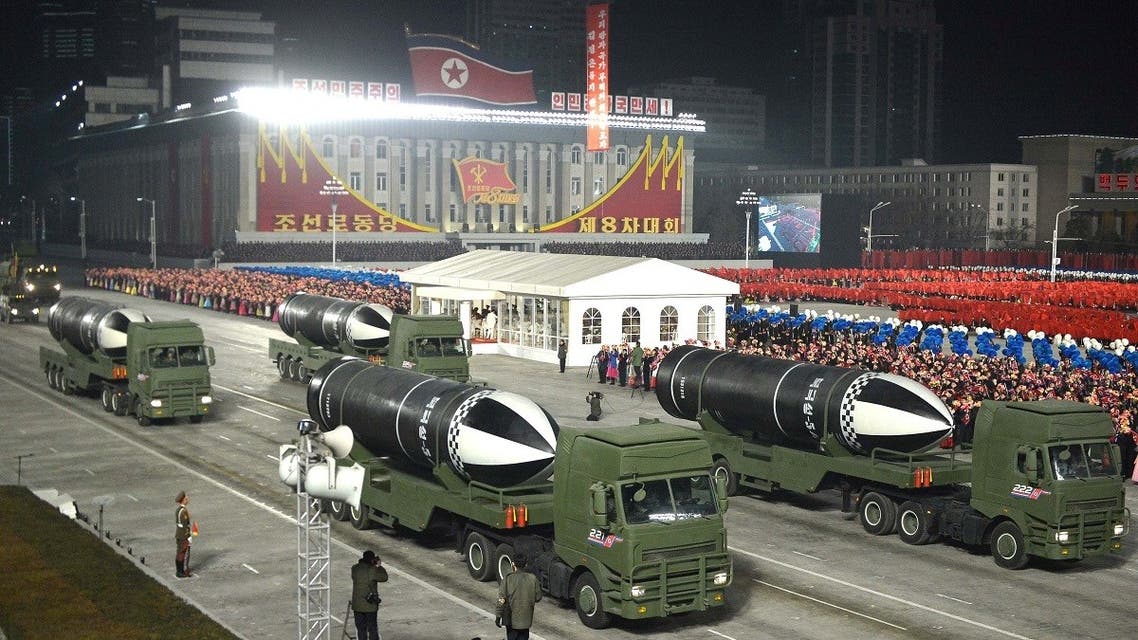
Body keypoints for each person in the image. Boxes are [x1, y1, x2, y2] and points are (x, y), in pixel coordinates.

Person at [496, 553, 541, 640]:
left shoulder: (508, 579)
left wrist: (498, 615)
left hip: (511, 621)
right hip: (525, 621)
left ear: (513, 564)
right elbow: (538, 597)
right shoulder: (533, 579)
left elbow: (502, 599)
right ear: (526, 564)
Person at [351, 549, 389, 640]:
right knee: (372, 629)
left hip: (357, 605)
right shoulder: (372, 570)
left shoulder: (355, 568)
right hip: (370, 605)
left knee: (361, 629)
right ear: (372, 559)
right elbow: (384, 577)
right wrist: (379, 566)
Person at [174, 491, 193, 578]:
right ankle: (181, 571)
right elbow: (185, 525)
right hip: (183, 535)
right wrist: (188, 536)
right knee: (183, 553)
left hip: (179, 534)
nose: (187, 499)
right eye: (186, 498)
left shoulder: (179, 510)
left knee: (180, 553)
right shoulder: (183, 511)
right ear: (183, 500)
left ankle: (179, 571)